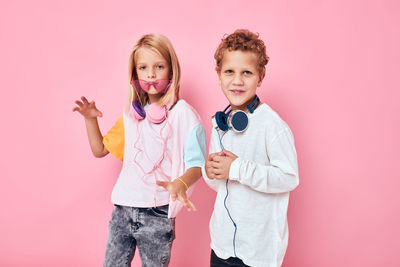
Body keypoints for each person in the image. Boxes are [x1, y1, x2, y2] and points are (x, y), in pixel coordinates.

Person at [73, 33, 206, 267]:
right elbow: (99, 150)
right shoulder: (132, 114)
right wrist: (90, 120)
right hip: (122, 209)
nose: (151, 74)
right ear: (135, 75)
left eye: (159, 66)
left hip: (157, 213)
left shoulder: (183, 114)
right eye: (143, 68)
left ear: (172, 71)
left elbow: (198, 164)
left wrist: (181, 183)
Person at [203, 29, 299, 267]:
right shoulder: (220, 124)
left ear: (260, 76)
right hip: (222, 245)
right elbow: (219, 184)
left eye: (246, 72)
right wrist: (210, 171)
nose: (237, 81)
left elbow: (288, 178)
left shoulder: (273, 126)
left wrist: (237, 168)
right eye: (229, 72)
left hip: (258, 252)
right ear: (218, 75)